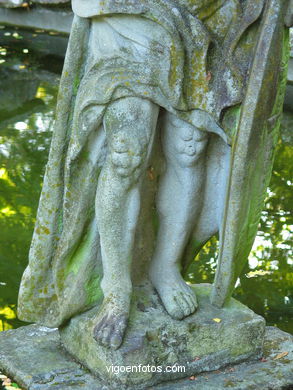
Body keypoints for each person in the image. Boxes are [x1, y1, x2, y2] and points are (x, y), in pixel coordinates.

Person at [18, 0, 268, 349]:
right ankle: (116, 287)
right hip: (129, 14)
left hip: (205, 11)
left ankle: (166, 266)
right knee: (125, 152)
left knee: (189, 148)